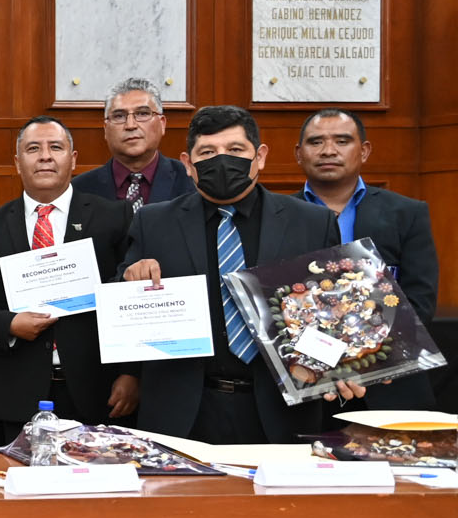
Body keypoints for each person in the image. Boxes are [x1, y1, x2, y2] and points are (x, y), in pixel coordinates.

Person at [122, 106, 343, 444]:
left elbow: (336, 311)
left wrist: (348, 365)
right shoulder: (153, 223)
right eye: (207, 153)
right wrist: (131, 281)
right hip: (182, 412)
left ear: (260, 156)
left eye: (236, 150)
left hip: (281, 412)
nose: (222, 161)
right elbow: (120, 304)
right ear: (187, 163)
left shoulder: (312, 222)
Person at [0, 118, 138, 437]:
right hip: (17, 392)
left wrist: (132, 374)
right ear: (17, 162)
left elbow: (130, 295)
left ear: (73, 159)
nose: (45, 156)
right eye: (33, 148)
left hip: (99, 390)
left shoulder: (113, 216)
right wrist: (8, 324)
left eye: (56, 147)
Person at [295, 108, 439, 410]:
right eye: (316, 142)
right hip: (309, 386)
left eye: (342, 141)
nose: (328, 150)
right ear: (299, 153)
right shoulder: (277, 215)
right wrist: (327, 363)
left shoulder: (407, 213)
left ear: (364, 151)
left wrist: (359, 361)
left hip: (391, 381)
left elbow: (420, 300)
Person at [69, 78, 190, 213]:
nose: (131, 125)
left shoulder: (190, 182)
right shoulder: (78, 190)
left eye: (142, 114)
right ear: (106, 129)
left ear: (162, 124)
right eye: (119, 116)